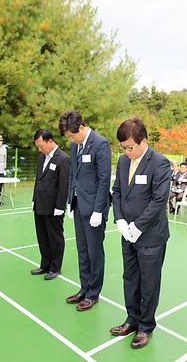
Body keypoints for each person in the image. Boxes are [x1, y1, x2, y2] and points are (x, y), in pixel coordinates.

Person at [110, 117, 171, 349]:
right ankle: (132, 319)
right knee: (130, 279)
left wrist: (137, 226)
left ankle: (146, 326)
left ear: (143, 141)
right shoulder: (124, 162)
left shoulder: (160, 163)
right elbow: (116, 192)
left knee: (149, 283)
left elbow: (158, 201)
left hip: (151, 236)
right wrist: (120, 219)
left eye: (130, 147)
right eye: (123, 148)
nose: (127, 152)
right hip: (128, 233)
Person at [59, 110, 111, 311]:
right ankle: (84, 287)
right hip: (79, 205)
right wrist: (70, 202)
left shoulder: (100, 144)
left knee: (94, 251)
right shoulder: (75, 146)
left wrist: (99, 210)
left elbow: (103, 179)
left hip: (95, 208)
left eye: (72, 135)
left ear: (81, 127)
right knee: (82, 250)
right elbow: (73, 173)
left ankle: (93, 293)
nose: (71, 139)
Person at [31, 129, 69, 280]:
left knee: (55, 238)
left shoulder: (63, 159)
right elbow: (38, 180)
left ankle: (55, 267)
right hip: (40, 204)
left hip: (53, 208)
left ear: (50, 141)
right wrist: (34, 198)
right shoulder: (42, 157)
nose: (40, 149)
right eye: (38, 147)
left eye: (41, 146)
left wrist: (60, 207)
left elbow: (64, 185)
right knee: (42, 237)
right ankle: (45, 264)